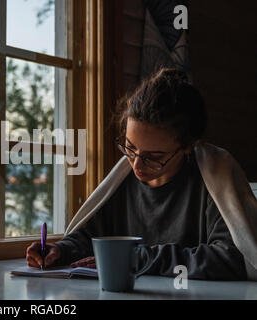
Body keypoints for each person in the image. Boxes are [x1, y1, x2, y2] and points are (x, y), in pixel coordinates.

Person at [26, 68, 249, 280]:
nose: (137, 165)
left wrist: (140, 259)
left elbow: (232, 258)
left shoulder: (214, 178)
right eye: (130, 148)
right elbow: (91, 236)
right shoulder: (123, 180)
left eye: (154, 157)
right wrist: (61, 250)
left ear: (188, 146)